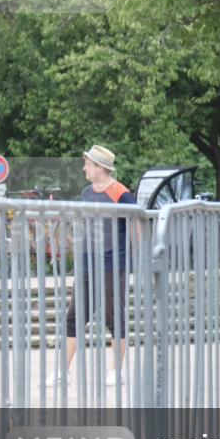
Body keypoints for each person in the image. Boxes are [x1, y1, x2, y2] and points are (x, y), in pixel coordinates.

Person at [65, 145, 137, 386]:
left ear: (99, 167)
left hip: (112, 262)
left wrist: (133, 258)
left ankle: (118, 370)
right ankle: (62, 370)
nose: (84, 167)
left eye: (87, 163)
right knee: (74, 315)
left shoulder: (120, 193)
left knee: (112, 315)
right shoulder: (87, 192)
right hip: (87, 261)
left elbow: (136, 226)